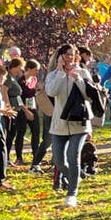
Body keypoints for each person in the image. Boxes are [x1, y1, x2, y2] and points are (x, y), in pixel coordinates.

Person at [45, 44, 95, 207]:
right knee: (59, 160)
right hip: (59, 124)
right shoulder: (53, 74)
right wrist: (60, 73)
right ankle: (77, 176)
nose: (69, 58)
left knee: (73, 157)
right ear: (60, 56)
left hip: (79, 124)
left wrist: (77, 79)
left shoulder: (83, 72)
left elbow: (89, 96)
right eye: (66, 55)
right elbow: (51, 92)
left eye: (73, 55)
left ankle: (72, 194)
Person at [2, 57, 28, 167]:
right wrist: (8, 107)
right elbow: (4, 91)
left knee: (13, 133)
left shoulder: (13, 78)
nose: (21, 70)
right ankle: (6, 158)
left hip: (16, 108)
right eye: (20, 68)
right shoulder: (8, 77)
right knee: (10, 133)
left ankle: (7, 157)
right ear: (15, 67)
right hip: (11, 110)